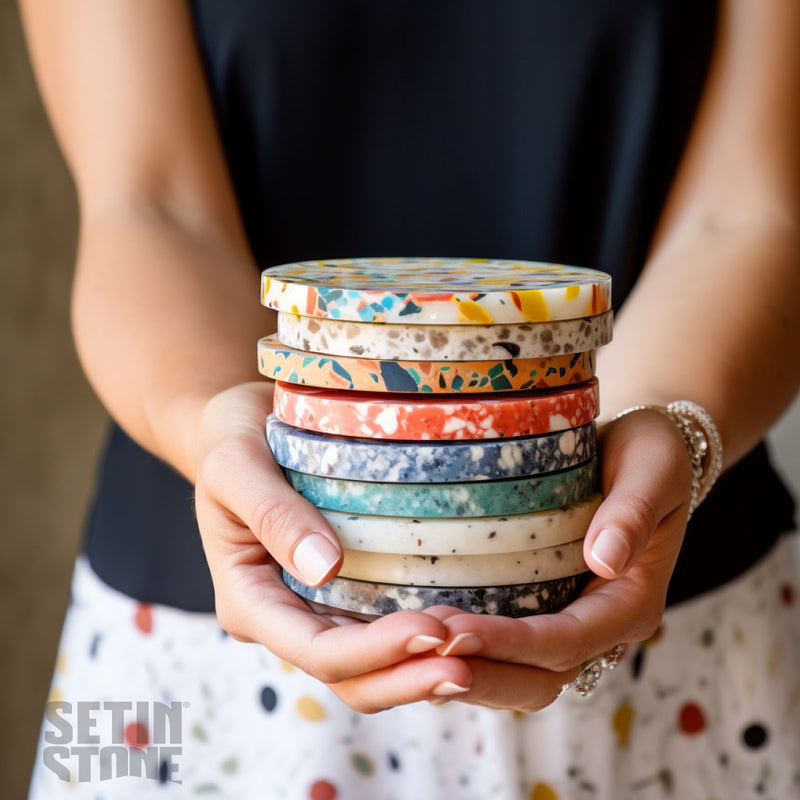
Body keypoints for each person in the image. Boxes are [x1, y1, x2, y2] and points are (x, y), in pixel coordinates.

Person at [22, 1, 800, 798]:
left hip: (670, 618)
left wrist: (663, 434)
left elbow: (749, 214)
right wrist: (216, 425)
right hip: (194, 630)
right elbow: (146, 206)